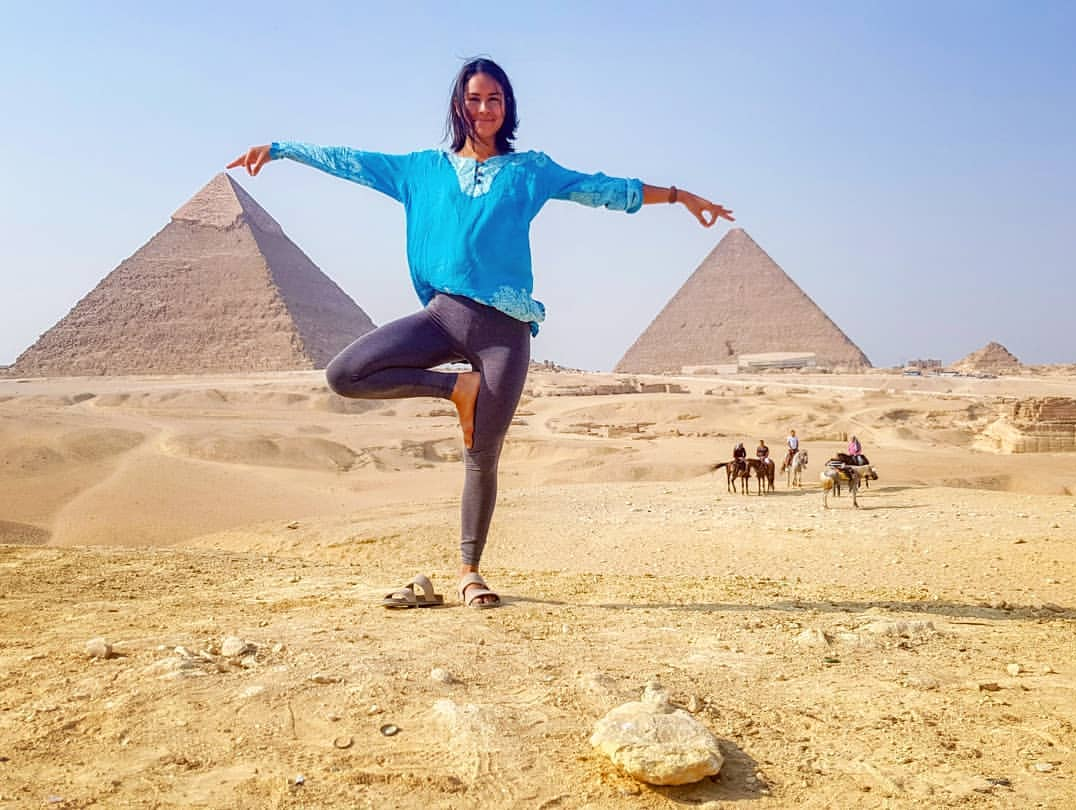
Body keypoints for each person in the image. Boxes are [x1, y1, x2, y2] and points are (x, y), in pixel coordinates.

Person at [227, 58, 734, 609]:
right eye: (474, 98)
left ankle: (470, 572)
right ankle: (456, 390)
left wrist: (681, 196)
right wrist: (279, 149)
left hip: (505, 330)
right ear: (458, 104)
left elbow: (601, 189)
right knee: (345, 374)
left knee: (481, 454)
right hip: (441, 316)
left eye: (495, 99)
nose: (485, 109)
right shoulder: (419, 169)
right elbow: (350, 161)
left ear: (507, 107)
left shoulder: (530, 170)